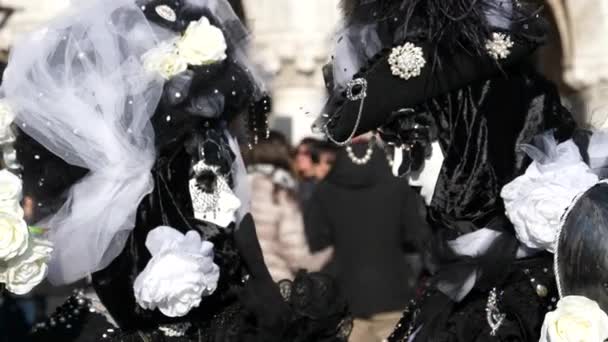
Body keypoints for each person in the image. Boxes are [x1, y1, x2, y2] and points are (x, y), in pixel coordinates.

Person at [0, 0, 351, 341]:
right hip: (203, 313)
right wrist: (265, 288)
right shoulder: (201, 144)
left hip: (132, 312)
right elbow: (224, 220)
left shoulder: (108, 165)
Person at [316, 0, 577, 340]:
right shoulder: (454, 272)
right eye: (392, 147)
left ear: (474, 136)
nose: (400, 171)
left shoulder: (537, 291)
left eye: (412, 145)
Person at [305, 137, 430, 342]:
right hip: (393, 292)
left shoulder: (325, 190)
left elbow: (315, 240)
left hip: (346, 298)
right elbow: (416, 236)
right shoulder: (398, 187)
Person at [246, 131, 333, 282]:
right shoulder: (279, 190)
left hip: (245, 282)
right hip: (277, 282)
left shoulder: (241, 184)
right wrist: (331, 253)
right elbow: (297, 257)